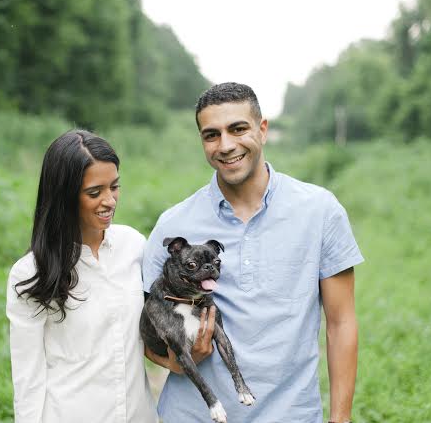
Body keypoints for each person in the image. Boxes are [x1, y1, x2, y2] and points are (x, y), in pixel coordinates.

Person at [142, 82, 363, 423]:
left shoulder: (320, 211)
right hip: (191, 415)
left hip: (291, 414)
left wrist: (340, 418)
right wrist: (174, 363)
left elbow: (341, 322)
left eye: (238, 129)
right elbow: (142, 323)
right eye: (211, 135)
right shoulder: (175, 223)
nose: (226, 145)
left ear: (262, 130)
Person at [6, 130, 157, 423]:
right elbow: (28, 377)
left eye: (114, 187)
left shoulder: (134, 246)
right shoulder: (31, 273)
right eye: (94, 192)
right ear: (64, 196)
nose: (110, 201)